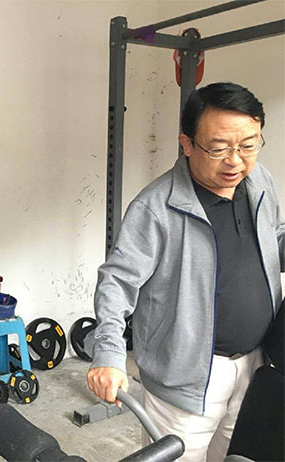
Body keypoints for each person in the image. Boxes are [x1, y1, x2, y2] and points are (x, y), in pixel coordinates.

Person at [85, 82, 284, 462]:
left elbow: (271, 237)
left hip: (256, 364)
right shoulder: (156, 208)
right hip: (186, 378)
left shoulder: (259, 182)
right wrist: (108, 353)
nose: (235, 161)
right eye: (219, 148)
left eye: (248, 146)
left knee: (238, 455)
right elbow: (117, 282)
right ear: (187, 144)